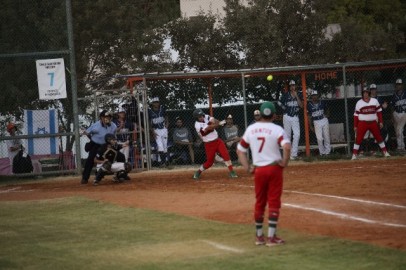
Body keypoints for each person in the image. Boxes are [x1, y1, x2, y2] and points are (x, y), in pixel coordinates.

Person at [236, 101, 291, 246]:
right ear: (273, 115)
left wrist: (247, 168)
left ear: (260, 114)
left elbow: (240, 150)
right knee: (273, 201)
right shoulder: (277, 129)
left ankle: (259, 237)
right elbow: (286, 146)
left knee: (260, 202)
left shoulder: (251, 129)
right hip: (274, 169)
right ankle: (271, 238)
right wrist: (285, 162)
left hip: (259, 169)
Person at [192, 109, 238, 179]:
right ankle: (198, 172)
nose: (201, 117)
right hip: (209, 144)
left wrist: (218, 122)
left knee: (226, 154)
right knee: (209, 163)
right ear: (196, 118)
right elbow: (208, 129)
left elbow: (215, 121)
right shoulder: (197, 125)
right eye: (199, 117)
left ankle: (232, 172)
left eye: (201, 115)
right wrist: (217, 124)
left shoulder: (206, 116)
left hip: (217, 141)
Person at [352, 87, 390, 160]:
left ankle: (385, 152)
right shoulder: (359, 102)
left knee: (378, 137)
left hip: (373, 123)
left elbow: (379, 112)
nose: (365, 94)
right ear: (362, 94)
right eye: (364, 93)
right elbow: (356, 115)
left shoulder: (374, 101)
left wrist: (381, 122)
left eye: (367, 92)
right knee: (359, 138)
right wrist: (355, 126)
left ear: (369, 93)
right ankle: (354, 154)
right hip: (362, 123)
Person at [81, 110, 117, 184]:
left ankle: (103, 175)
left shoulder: (113, 126)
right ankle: (85, 178)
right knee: (90, 160)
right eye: (105, 117)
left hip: (106, 145)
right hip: (95, 145)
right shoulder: (96, 125)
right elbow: (87, 132)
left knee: (110, 158)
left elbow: (113, 135)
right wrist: (91, 139)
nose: (107, 118)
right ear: (101, 118)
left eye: (109, 117)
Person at [277, 80, 303, 160]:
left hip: (295, 117)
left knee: (297, 134)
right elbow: (278, 102)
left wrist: (296, 97)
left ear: (295, 86)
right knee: (287, 136)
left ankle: (293, 154)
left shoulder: (299, 94)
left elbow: (301, 106)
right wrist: (284, 108)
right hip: (287, 116)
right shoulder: (285, 95)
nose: (292, 87)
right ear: (289, 87)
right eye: (291, 85)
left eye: (293, 85)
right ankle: (288, 154)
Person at [307, 90, 331, 156]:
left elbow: (327, 108)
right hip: (316, 121)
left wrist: (327, 115)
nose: (314, 97)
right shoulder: (309, 105)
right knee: (319, 138)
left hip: (324, 119)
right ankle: (322, 152)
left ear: (318, 96)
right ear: (311, 97)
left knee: (326, 136)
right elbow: (309, 116)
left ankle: (327, 152)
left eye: (315, 95)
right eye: (313, 96)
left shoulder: (322, 102)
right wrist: (311, 126)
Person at [148, 97, 169, 166]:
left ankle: (164, 162)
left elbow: (166, 116)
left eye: (157, 102)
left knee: (165, 146)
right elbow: (149, 123)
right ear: (152, 103)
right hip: (156, 130)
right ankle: (163, 162)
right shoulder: (150, 111)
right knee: (160, 146)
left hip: (163, 129)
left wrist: (167, 124)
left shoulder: (162, 109)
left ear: (159, 103)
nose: (156, 103)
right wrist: (152, 132)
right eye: (154, 102)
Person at [391, 78, 406, 152]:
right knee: (398, 131)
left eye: (400, 84)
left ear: (402, 85)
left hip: (404, 114)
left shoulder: (405, 94)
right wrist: (393, 117)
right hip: (396, 114)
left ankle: (401, 147)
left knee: (399, 129)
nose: (398, 86)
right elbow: (392, 107)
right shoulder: (394, 96)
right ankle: (401, 146)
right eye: (397, 85)